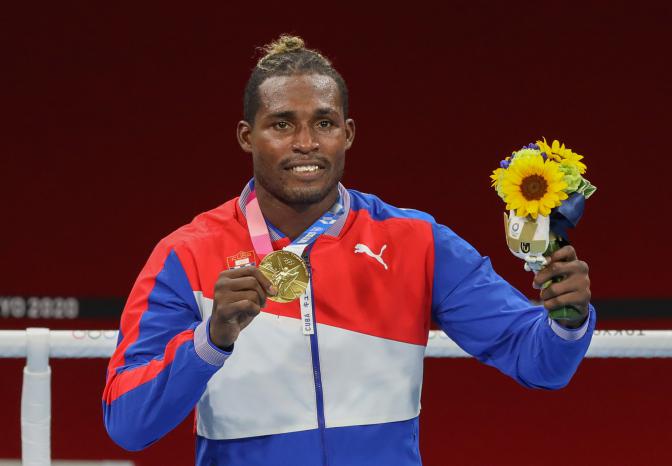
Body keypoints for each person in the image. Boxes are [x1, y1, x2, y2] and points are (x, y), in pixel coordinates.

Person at [102, 35, 595, 466]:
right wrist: (209, 341)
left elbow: (538, 364)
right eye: (281, 125)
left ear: (348, 134)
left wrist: (567, 320)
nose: (305, 143)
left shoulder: (415, 241)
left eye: (323, 123)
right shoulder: (184, 254)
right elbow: (127, 422)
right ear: (246, 137)